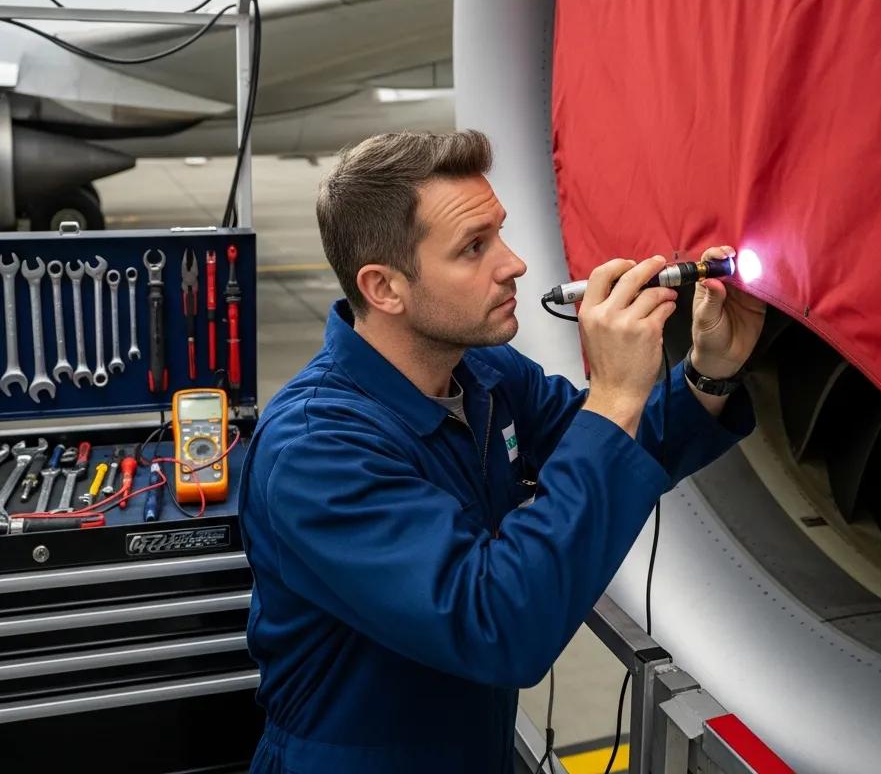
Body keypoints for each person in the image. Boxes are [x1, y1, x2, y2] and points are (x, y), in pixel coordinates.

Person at [239, 130, 766, 774]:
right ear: (384, 289)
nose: (513, 263)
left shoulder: (485, 373)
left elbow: (612, 450)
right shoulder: (316, 451)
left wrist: (708, 372)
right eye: (473, 248)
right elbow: (497, 625)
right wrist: (615, 392)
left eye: (500, 234)